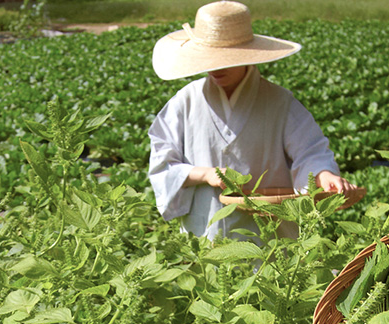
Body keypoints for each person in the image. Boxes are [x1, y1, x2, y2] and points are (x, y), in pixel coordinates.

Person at [147, 1, 360, 242]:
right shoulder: (185, 101)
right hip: (206, 230)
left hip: (269, 236)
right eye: (209, 61)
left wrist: (323, 176)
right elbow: (162, 164)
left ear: (247, 56)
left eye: (224, 60)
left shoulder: (280, 102)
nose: (215, 69)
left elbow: (310, 153)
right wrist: (205, 174)